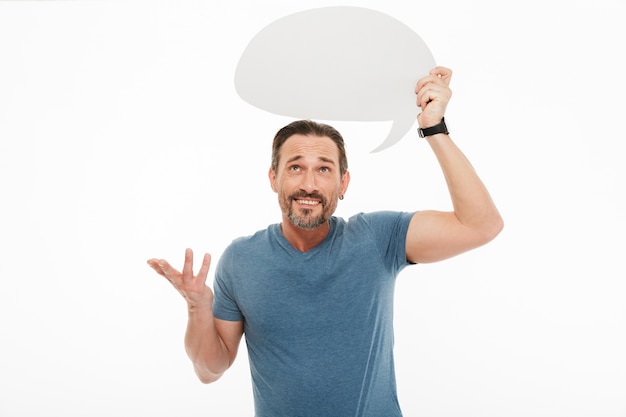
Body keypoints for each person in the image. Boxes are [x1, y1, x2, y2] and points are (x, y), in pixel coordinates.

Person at [147, 66, 503, 416]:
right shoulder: (241, 260)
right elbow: (210, 370)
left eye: (324, 169)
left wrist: (434, 129)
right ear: (274, 178)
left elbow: (481, 226)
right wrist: (197, 309)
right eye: (296, 167)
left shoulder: (378, 239)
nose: (309, 185)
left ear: (343, 184)